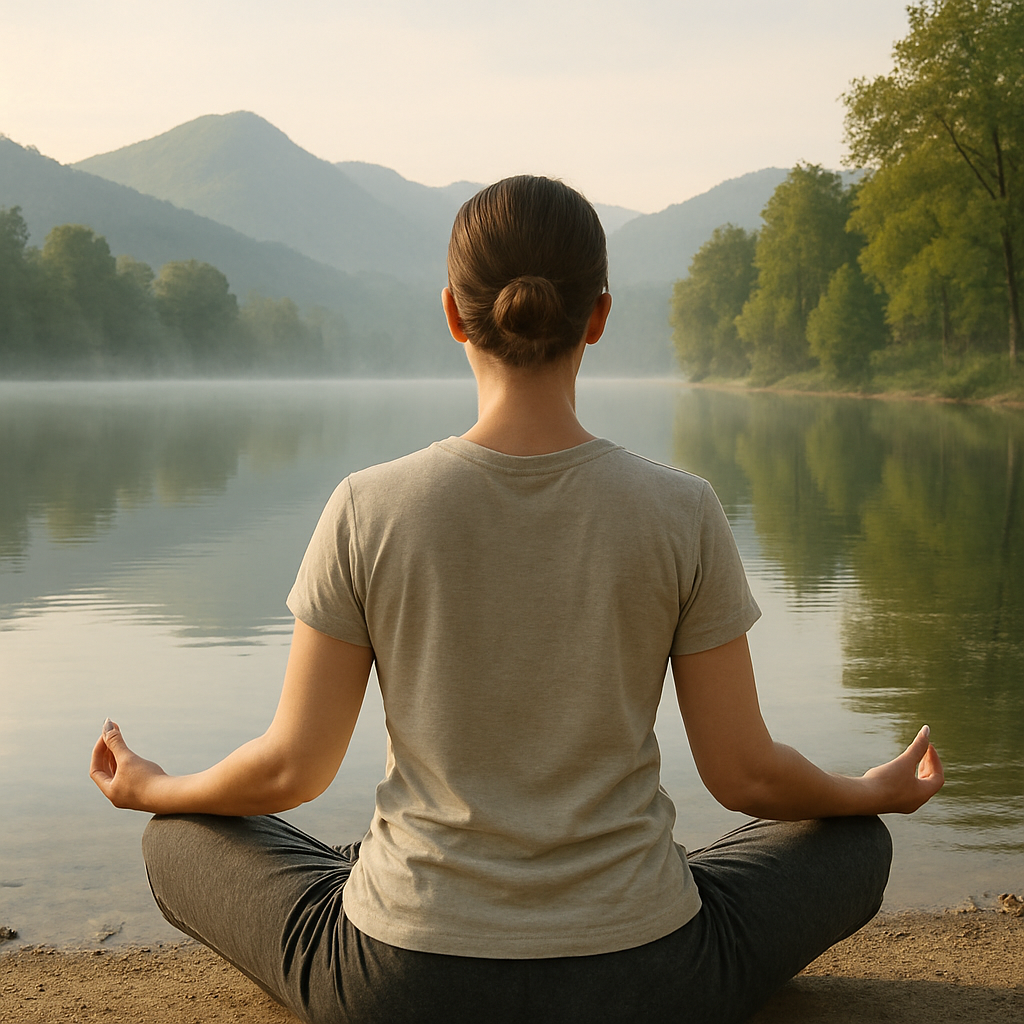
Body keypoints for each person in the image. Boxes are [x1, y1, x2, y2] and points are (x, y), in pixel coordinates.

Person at [90, 175, 944, 1024]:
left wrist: (154, 786)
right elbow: (745, 774)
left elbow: (291, 770)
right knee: (851, 841)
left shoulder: (365, 507)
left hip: (399, 985)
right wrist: (869, 790)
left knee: (180, 835)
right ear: (598, 317)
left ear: (453, 314)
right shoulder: (682, 509)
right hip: (649, 979)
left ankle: (404, 862)